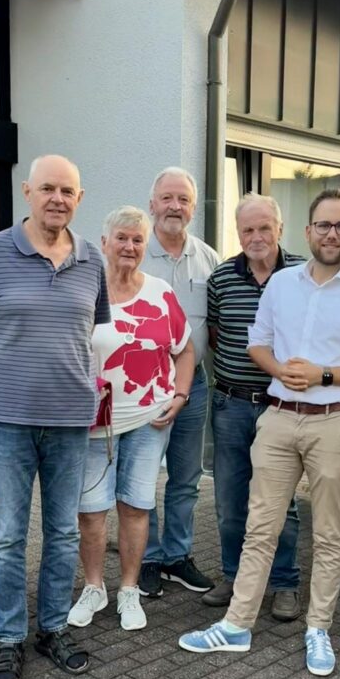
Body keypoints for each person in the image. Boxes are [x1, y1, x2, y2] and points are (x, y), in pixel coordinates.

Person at [179, 188, 340, 676]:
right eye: (323, 225)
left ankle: (318, 629)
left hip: (337, 420)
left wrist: (325, 375)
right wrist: (280, 369)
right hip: (279, 417)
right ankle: (237, 625)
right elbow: (256, 342)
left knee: (329, 533)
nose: (331, 234)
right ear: (308, 230)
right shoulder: (282, 285)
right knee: (260, 525)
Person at [0, 155, 109, 679]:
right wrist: (7, 381)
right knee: (7, 535)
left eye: (67, 191)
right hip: (5, 420)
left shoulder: (91, 259)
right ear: (27, 191)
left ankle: (52, 629)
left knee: (64, 532)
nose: (57, 199)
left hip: (69, 419)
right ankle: (8, 637)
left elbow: (85, 331)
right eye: (47, 188)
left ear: (79, 198)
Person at [69, 206, 194, 632]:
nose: (129, 246)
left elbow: (185, 349)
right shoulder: (84, 290)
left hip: (148, 419)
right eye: (121, 238)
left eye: (137, 239)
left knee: (136, 505)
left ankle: (128, 588)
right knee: (91, 511)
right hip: (93, 423)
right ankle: (93, 587)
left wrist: (181, 394)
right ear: (104, 243)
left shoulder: (160, 293)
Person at [204, 193, 304, 621]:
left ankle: (283, 583)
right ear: (238, 232)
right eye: (248, 229)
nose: (257, 236)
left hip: (283, 406)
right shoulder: (221, 278)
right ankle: (234, 576)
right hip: (231, 404)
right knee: (229, 500)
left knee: (282, 502)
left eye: (265, 227)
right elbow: (215, 336)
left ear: (280, 228)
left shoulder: (304, 273)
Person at [139, 167, 220, 598]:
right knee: (142, 477)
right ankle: (147, 558)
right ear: (152, 203)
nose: (175, 206)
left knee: (186, 477)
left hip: (194, 385)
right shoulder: (134, 250)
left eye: (183, 199)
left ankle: (177, 556)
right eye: (167, 198)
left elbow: (218, 325)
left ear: (193, 207)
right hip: (142, 386)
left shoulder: (208, 259)